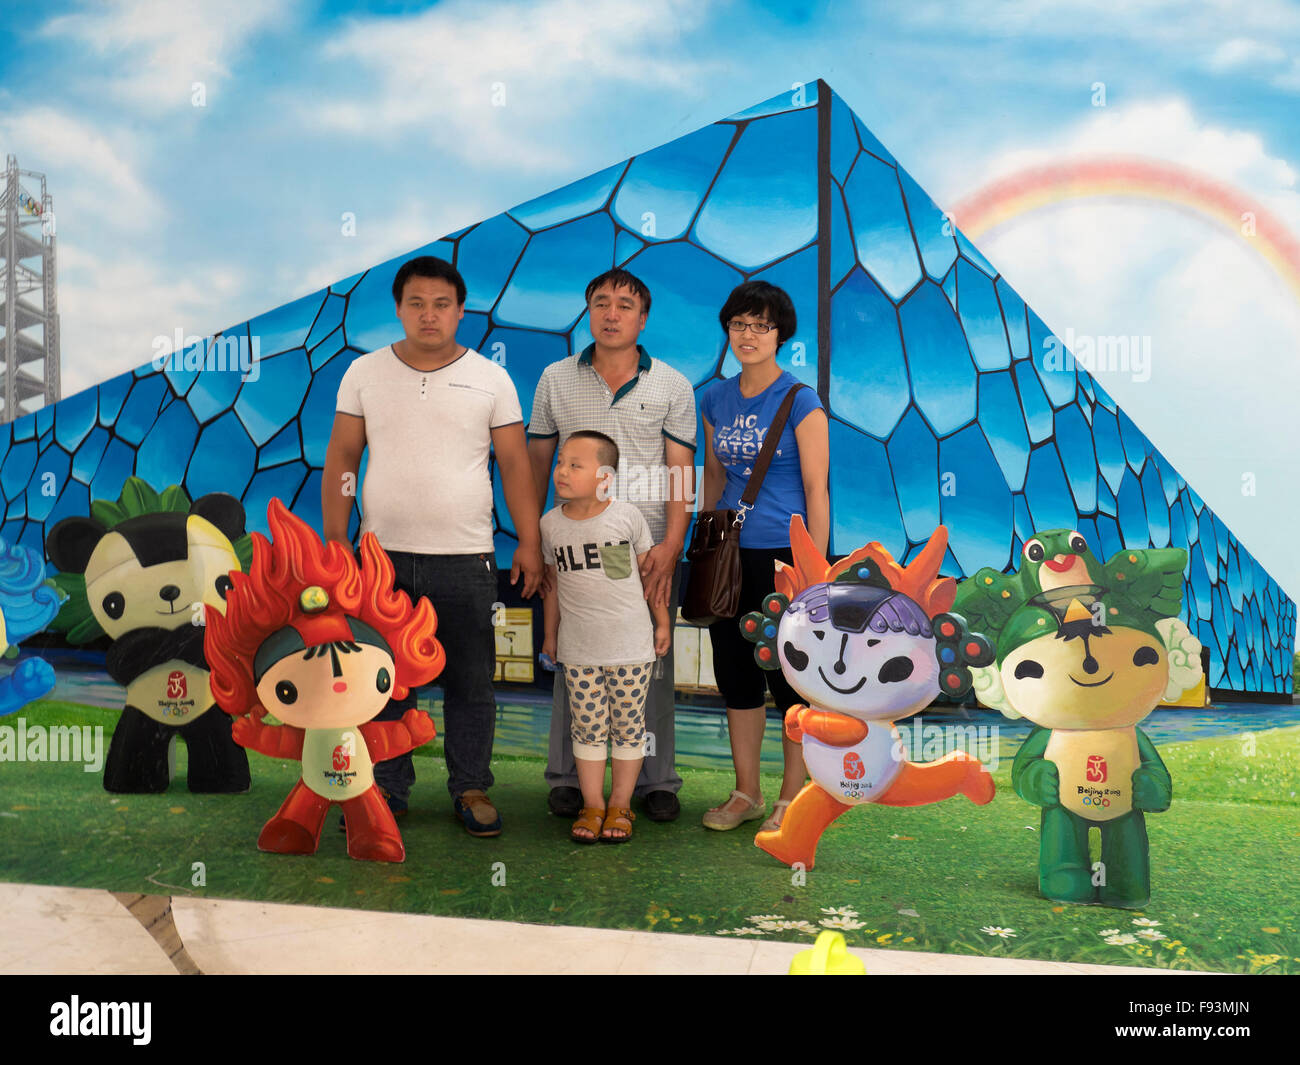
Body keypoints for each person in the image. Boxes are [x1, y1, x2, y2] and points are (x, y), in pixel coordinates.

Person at [322, 255, 543, 838]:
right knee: (386, 682)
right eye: (416, 303)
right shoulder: (364, 373)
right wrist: (338, 538)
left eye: (441, 304)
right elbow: (344, 459)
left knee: (471, 681)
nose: (429, 315)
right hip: (379, 560)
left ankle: (470, 787)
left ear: (460, 311)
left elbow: (516, 464)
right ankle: (387, 790)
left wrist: (528, 540)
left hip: (467, 558)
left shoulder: (491, 379)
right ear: (398, 309)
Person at [527, 269, 696, 822]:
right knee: (571, 658)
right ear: (588, 311)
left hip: (640, 549)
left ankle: (655, 782)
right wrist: (534, 540)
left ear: (642, 318)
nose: (612, 313)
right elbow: (534, 463)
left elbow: (679, 472)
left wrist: (671, 545)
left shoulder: (672, 384)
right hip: (571, 545)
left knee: (651, 662)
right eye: (601, 302)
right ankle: (568, 780)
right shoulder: (555, 379)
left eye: (625, 304)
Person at [697, 280, 829, 833]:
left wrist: (814, 574)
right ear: (727, 330)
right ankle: (745, 792)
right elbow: (714, 476)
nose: (748, 335)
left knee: (790, 683)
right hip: (728, 556)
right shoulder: (714, 398)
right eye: (739, 324)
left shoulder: (800, 400)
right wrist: (703, 548)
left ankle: (790, 799)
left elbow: (818, 490)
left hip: (784, 558)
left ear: (781, 335)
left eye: (762, 326)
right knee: (736, 677)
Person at [540, 430, 672, 842]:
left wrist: (662, 622)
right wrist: (550, 635)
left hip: (630, 648)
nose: (562, 471)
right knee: (587, 728)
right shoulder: (550, 525)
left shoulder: (625, 518)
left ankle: (620, 805)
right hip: (579, 650)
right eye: (561, 462)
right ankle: (593, 805)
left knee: (630, 727)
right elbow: (554, 586)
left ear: (604, 477)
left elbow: (645, 577)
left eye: (575, 465)